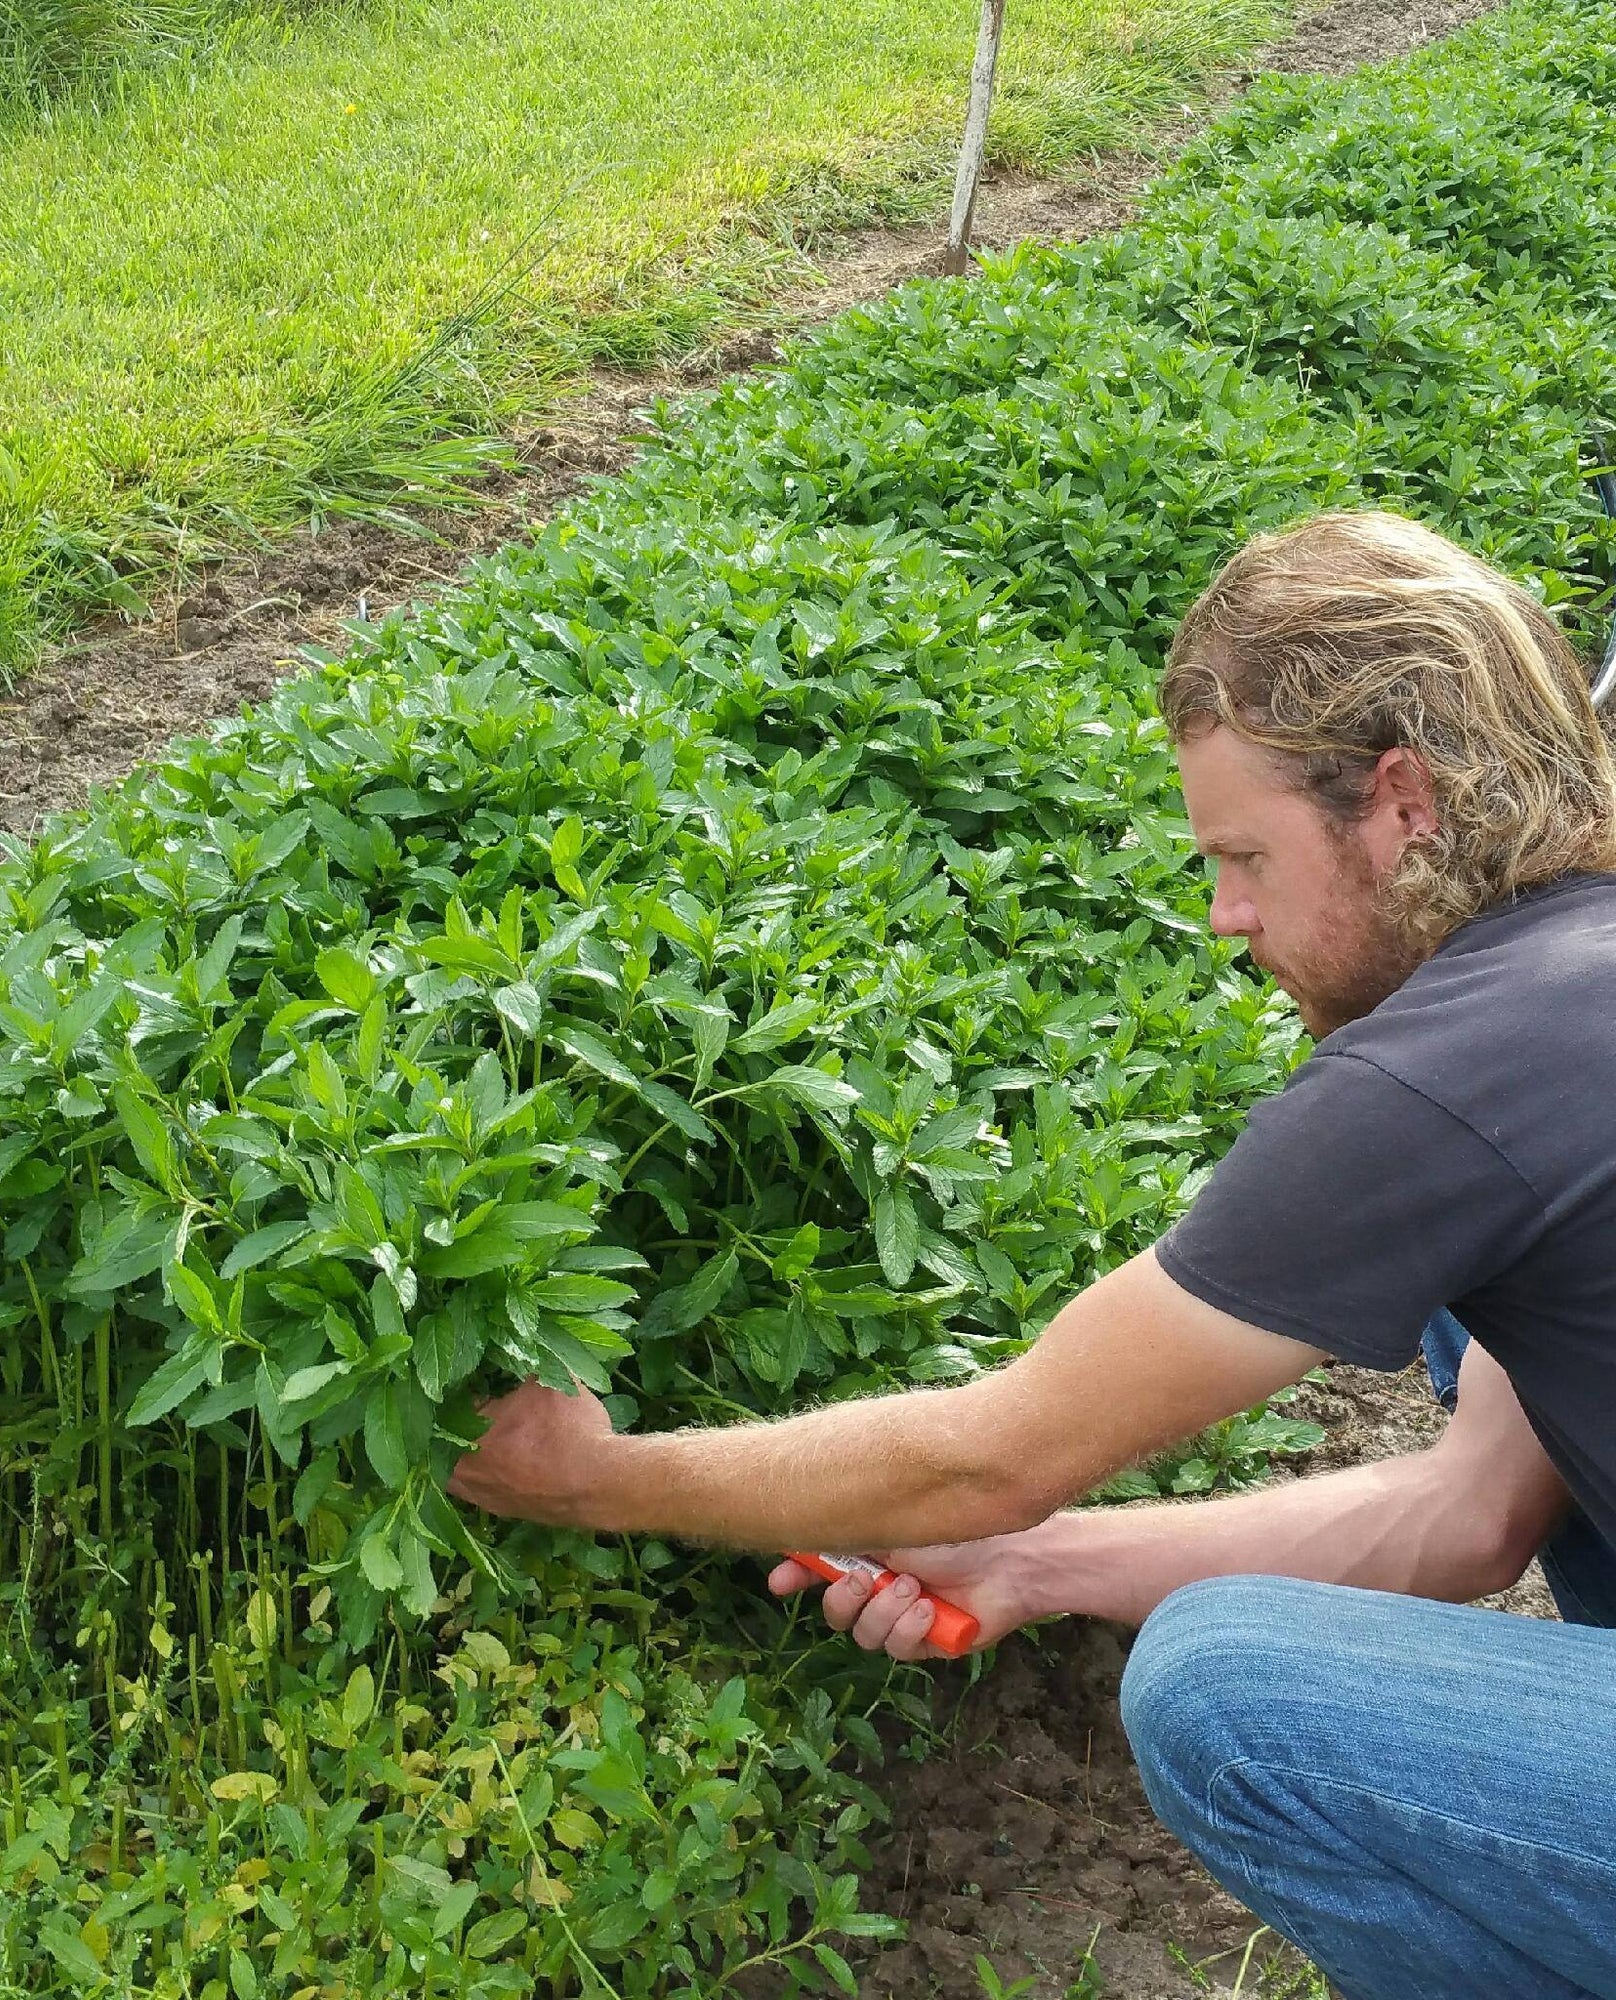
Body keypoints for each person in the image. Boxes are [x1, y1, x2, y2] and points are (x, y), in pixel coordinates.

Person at [448, 511, 1616, 2000]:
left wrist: (593, 1483)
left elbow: (985, 1455)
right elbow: (1469, 1515)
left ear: (1402, 802)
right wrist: (1036, 1566)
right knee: (1485, 1324)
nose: (1225, 916)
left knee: (1232, 1695)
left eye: (1245, 857)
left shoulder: (1450, 1077)